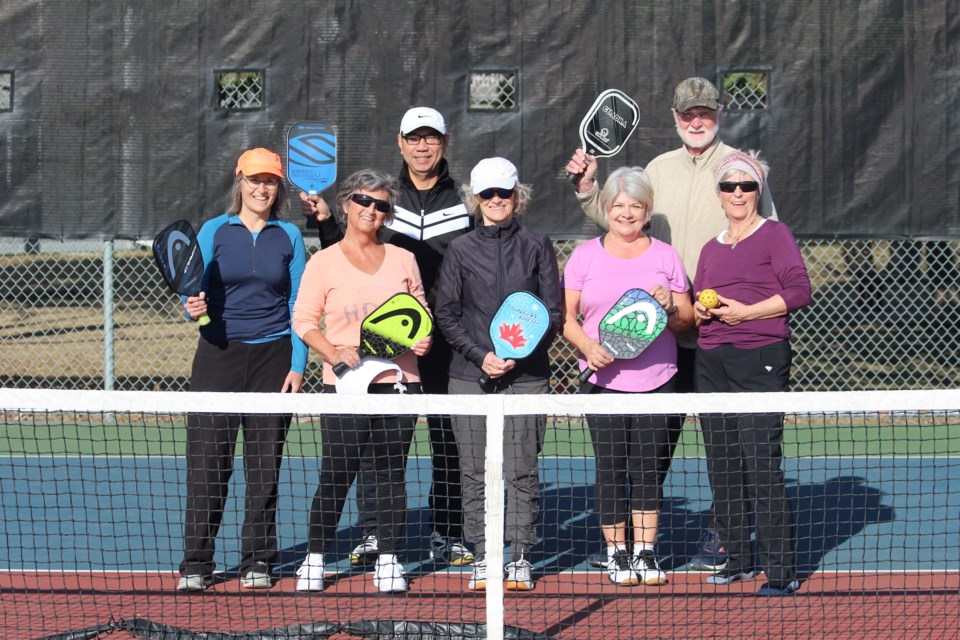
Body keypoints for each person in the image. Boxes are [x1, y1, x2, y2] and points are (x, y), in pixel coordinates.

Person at [565, 76, 778, 571]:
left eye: (704, 112)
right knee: (650, 450)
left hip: (721, 333)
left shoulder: (740, 170)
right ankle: (634, 545)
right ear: (676, 118)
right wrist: (587, 188)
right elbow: (621, 217)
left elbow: (766, 236)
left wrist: (743, 304)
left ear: (719, 114)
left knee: (725, 443)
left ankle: (724, 533)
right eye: (687, 114)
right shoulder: (658, 167)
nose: (696, 121)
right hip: (656, 340)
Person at [301, 107, 473, 568]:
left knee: (448, 441)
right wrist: (322, 220)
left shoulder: (466, 201)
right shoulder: (383, 199)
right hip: (381, 351)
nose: (422, 146)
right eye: (413, 138)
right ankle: (376, 533)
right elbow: (350, 255)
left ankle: (449, 532)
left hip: (447, 342)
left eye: (430, 138)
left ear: (445, 142)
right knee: (374, 452)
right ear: (400, 142)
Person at [292, 169, 433, 593]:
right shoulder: (324, 261)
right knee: (336, 473)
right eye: (364, 201)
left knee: (391, 473)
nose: (372, 210)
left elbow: (420, 313)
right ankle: (314, 560)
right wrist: (333, 352)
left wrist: (423, 339)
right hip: (345, 385)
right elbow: (302, 321)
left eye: (382, 205)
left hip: (399, 381)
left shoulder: (404, 259)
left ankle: (388, 561)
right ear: (346, 205)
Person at [177, 147, 308, 591]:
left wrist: (298, 363)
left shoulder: (289, 236)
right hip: (217, 356)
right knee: (208, 466)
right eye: (254, 180)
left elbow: (298, 306)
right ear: (240, 182)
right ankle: (196, 564)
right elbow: (191, 290)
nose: (261, 188)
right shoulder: (215, 230)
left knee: (264, 467)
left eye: (270, 181)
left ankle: (258, 561)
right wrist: (191, 306)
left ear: (278, 187)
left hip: (273, 360)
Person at [561, 166, 694, 586]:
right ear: (607, 209)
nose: (627, 213)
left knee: (648, 468)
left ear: (648, 210)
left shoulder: (665, 256)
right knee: (611, 468)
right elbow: (565, 318)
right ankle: (617, 553)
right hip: (602, 383)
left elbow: (686, 319)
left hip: (658, 378)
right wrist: (587, 347)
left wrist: (670, 307)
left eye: (636, 206)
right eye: (619, 205)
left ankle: (646, 553)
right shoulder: (585, 256)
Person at [435, 157, 562, 592]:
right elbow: (447, 314)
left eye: (502, 193)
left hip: (527, 378)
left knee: (521, 471)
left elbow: (553, 312)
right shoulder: (460, 249)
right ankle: (484, 557)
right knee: (473, 472)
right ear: (475, 198)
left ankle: (521, 557)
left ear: (516, 196)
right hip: (469, 376)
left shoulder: (537, 244)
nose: (495, 201)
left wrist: (519, 355)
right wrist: (481, 354)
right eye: (486, 194)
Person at [692, 151, 811, 596]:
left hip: (760, 355)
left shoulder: (774, 234)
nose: (737, 193)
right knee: (722, 465)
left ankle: (781, 572)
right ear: (719, 194)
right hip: (711, 361)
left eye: (746, 185)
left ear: (759, 190)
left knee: (761, 465)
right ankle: (738, 560)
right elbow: (700, 308)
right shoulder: (709, 248)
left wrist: (747, 314)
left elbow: (799, 290)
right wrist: (704, 315)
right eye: (729, 186)